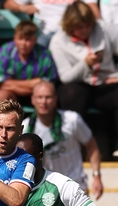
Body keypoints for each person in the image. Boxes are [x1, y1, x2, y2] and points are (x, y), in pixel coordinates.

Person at [22, 81, 103, 206]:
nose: (44, 101)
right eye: (40, 97)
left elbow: (92, 146)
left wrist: (97, 175)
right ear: (32, 100)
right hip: (43, 192)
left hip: (74, 188)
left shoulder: (71, 120)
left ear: (56, 99)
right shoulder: (26, 127)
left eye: (48, 97)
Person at [49, 1, 118, 158]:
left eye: (88, 26)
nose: (85, 30)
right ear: (70, 26)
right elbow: (66, 77)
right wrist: (85, 64)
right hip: (79, 85)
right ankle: (74, 147)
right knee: (71, 94)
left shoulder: (103, 28)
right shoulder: (58, 41)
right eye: (80, 27)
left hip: (106, 83)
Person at [0, 20, 58, 105]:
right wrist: (34, 83)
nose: (23, 43)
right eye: (20, 38)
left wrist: (11, 83)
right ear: (15, 38)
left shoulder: (44, 54)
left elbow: (48, 84)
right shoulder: (5, 51)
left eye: (27, 40)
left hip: (37, 95)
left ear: (35, 40)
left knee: (46, 95)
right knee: (1, 94)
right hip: (12, 94)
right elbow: (0, 83)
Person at [5, 0, 100, 47]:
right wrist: (23, 8)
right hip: (48, 34)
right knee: (37, 46)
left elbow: (93, 9)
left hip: (74, 32)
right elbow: (8, 4)